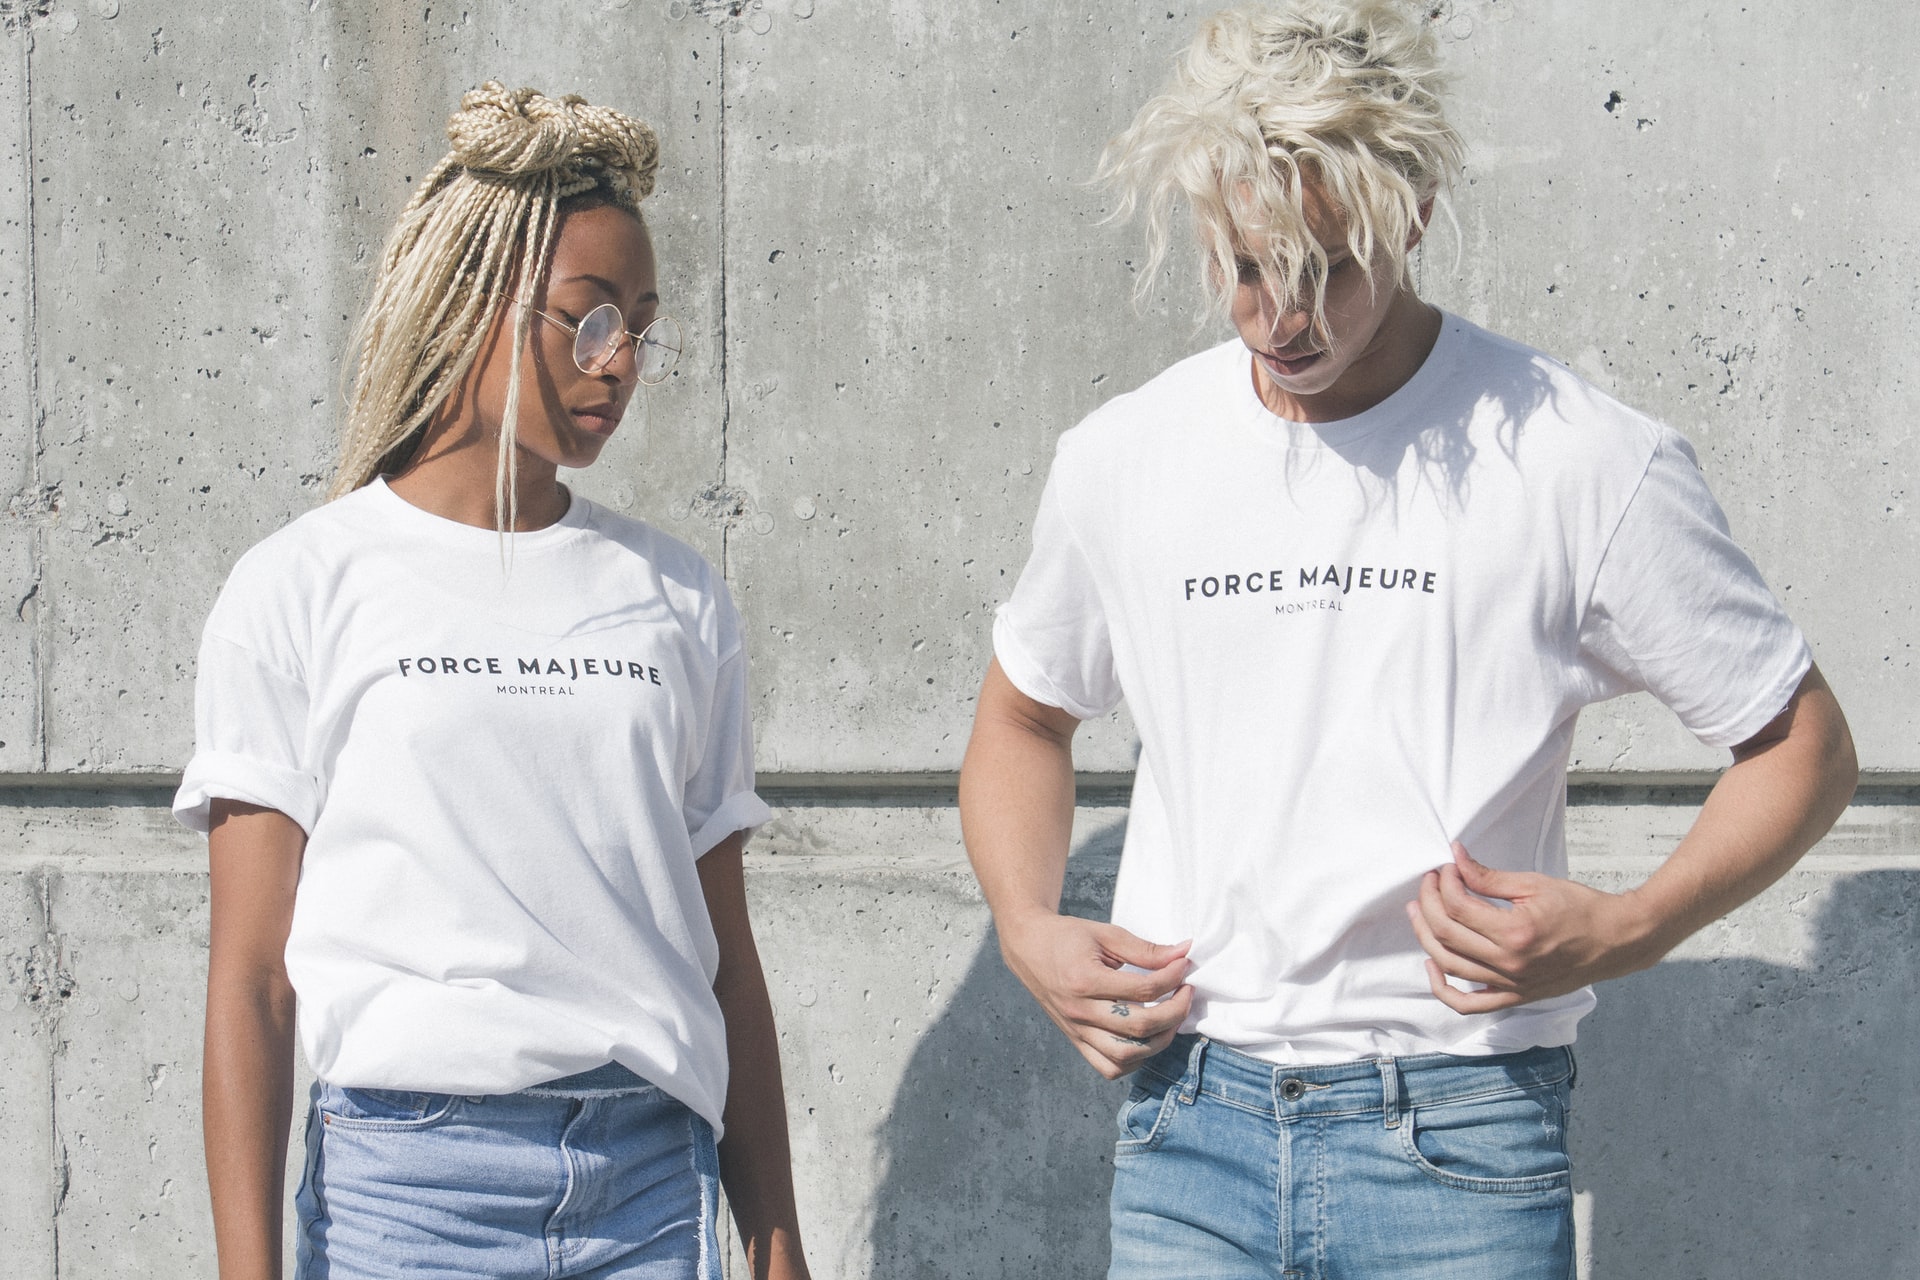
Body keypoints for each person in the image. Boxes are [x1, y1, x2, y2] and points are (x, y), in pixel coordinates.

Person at [957, 4, 1857, 1277]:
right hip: (1185, 1129)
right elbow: (1024, 714)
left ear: (1415, 207)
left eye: (1331, 266)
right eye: (1245, 264)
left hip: (1460, 1133)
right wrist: (1024, 922)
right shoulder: (1126, 457)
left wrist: (1628, 924)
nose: (1282, 315)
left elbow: (1801, 745)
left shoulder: (1579, 458)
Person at [176, 83, 811, 1280]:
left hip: (649, 1184)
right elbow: (253, 978)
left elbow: (726, 955)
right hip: (408, 1195)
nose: (617, 361)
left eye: (640, 325)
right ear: (473, 300)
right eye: (586, 318)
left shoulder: (676, 596)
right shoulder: (302, 584)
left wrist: (774, 1239)